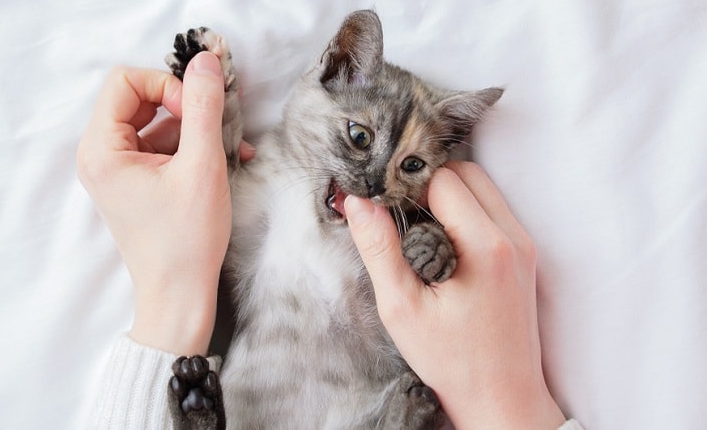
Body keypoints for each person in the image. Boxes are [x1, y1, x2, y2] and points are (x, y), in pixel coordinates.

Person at [78, 52, 582, 429]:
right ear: (333, 67)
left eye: (409, 166)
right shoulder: (284, 172)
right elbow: (228, 235)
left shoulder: (394, 223)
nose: (376, 182)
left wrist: (430, 243)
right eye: (360, 138)